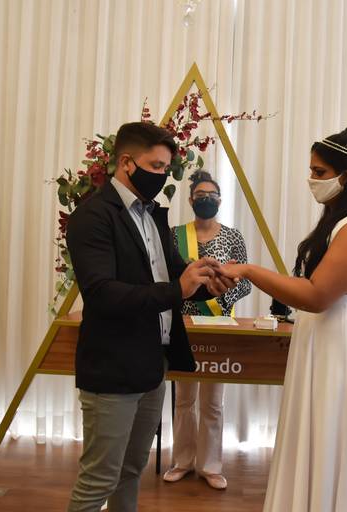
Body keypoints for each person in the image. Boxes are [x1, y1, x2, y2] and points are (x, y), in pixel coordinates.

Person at [218, 128, 347, 511]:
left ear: (346, 175)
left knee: (339, 446)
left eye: (319, 172)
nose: (311, 180)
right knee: (321, 443)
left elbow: (317, 295)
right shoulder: (340, 220)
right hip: (328, 344)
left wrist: (249, 270)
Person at [65, 121, 234, 512]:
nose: (162, 175)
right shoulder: (92, 217)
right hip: (112, 369)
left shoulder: (153, 216)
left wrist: (207, 282)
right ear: (126, 162)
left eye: (165, 168)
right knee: (99, 478)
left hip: (152, 366)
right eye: (156, 166)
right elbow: (102, 294)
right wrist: (179, 289)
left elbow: (172, 273)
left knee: (132, 469)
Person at [162, 170, 252, 490]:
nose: (207, 200)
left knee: (213, 401)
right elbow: (167, 278)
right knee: (184, 399)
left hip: (219, 324)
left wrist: (221, 292)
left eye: (212, 195)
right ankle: (182, 461)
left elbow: (246, 282)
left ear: (220, 200)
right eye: (200, 195)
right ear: (190, 200)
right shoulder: (175, 235)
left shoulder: (233, 237)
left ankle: (211, 466)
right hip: (184, 324)